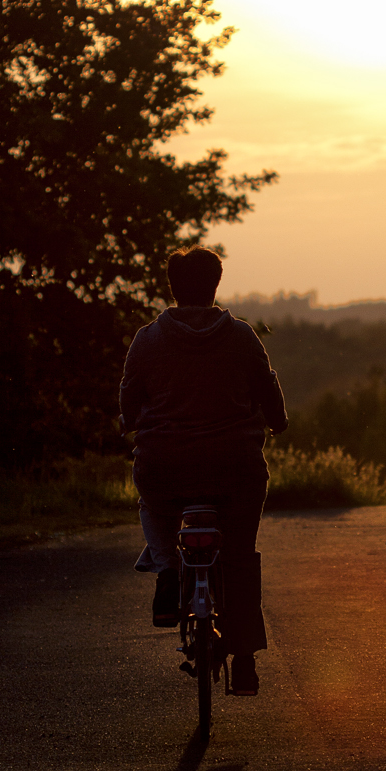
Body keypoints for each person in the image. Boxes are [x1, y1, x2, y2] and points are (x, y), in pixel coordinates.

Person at [120, 245, 288, 697]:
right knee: (238, 557)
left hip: (165, 467)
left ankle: (168, 568)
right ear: (215, 285)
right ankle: (246, 660)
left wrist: (130, 422)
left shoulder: (148, 338)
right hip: (235, 468)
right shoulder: (242, 336)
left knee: (153, 507)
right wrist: (279, 421)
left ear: (172, 289)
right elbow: (267, 387)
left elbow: (129, 397)